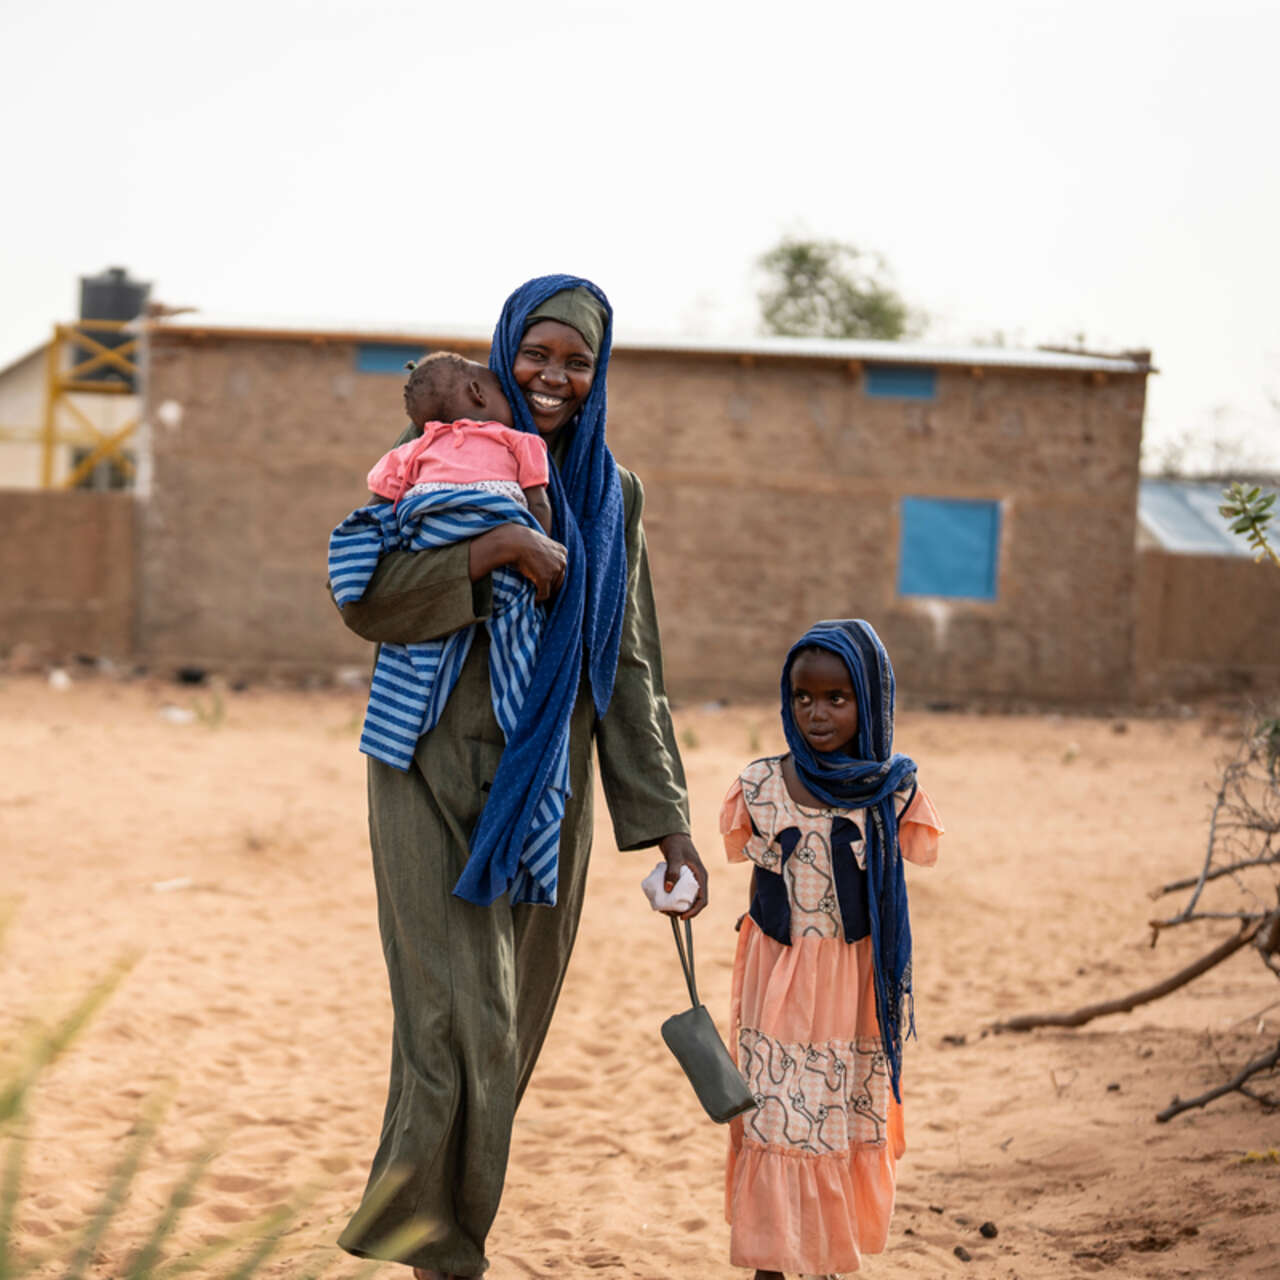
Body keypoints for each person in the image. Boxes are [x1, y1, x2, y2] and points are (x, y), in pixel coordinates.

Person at [332, 274, 708, 1280]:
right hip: (424, 759)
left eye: (576, 361)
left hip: (548, 787)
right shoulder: (435, 452)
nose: (552, 376)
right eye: (536, 354)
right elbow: (364, 592)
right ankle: (437, 1252)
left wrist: (666, 821)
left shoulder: (612, 496)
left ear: (599, 374)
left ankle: (445, 1235)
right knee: (452, 1018)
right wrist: (493, 547)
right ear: (502, 354)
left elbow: (628, 662)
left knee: (507, 1029)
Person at [719, 619, 943, 1279]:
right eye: (802, 697)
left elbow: (915, 856)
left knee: (837, 1117)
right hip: (779, 979)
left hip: (852, 985)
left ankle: (821, 1259)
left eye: (836, 698)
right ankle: (769, 1264)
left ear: (869, 701)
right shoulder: (759, 786)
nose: (816, 713)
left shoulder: (891, 790)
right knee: (775, 1114)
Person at [367, 350, 552, 533]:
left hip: (427, 530)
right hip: (497, 524)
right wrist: (543, 544)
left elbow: (378, 504)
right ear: (477, 392)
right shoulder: (520, 441)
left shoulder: (415, 448)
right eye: (501, 391)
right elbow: (538, 504)